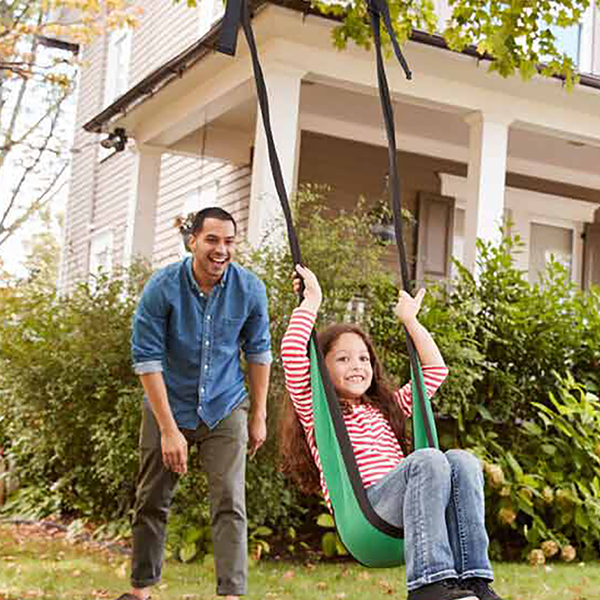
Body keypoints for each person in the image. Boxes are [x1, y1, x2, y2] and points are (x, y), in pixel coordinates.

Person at [280, 264, 504, 600]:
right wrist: (311, 301)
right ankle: (428, 585)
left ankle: (474, 579)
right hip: (367, 515)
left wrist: (411, 321)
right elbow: (293, 354)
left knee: (462, 460)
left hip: (414, 505)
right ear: (321, 368)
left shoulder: (388, 408)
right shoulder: (320, 413)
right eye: (343, 359)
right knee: (428, 460)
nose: (357, 366)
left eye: (364, 359)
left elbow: (435, 370)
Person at [117, 207, 272, 600]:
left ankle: (231, 595)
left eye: (229, 241)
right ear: (193, 242)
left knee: (229, 501)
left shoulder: (249, 288)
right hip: (169, 403)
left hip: (224, 405)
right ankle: (141, 591)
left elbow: (258, 353)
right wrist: (169, 430)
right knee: (151, 498)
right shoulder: (163, 287)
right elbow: (147, 359)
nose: (221, 249)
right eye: (212, 240)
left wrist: (258, 414)